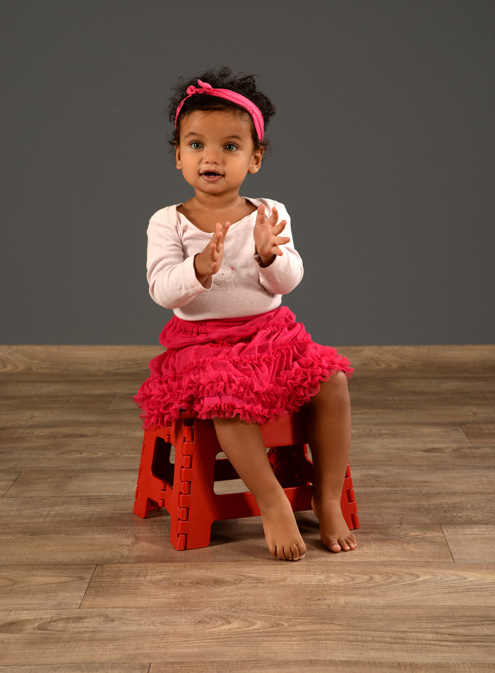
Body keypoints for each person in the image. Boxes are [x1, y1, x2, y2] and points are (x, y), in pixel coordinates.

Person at [134, 67, 357, 561]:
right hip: (203, 344)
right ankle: (273, 500)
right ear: (178, 156)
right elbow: (161, 289)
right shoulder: (167, 221)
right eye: (196, 145)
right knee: (226, 397)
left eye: (230, 147)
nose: (211, 157)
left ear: (254, 159)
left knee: (333, 381)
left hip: (271, 335)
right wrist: (198, 268)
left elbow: (288, 282)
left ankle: (325, 496)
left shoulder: (268, 213)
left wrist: (268, 256)